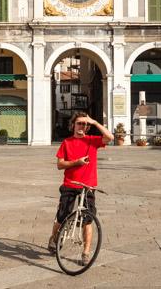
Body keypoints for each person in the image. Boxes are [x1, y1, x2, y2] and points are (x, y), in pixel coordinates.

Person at [48, 112, 113, 265]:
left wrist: (95, 122)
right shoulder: (67, 142)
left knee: (87, 219)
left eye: (85, 124)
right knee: (62, 215)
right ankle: (54, 238)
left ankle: (85, 252)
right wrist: (76, 162)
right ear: (73, 125)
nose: (82, 126)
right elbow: (60, 164)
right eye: (79, 123)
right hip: (70, 184)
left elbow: (110, 137)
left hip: (88, 186)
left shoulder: (93, 141)